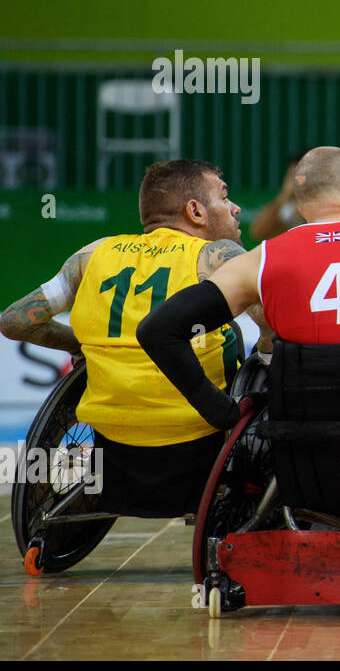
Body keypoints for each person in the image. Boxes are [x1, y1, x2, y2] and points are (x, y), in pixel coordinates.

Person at [0, 160, 259, 517]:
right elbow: (274, 326)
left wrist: (78, 344)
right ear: (196, 211)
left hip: (113, 446)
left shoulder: (93, 255)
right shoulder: (218, 257)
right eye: (224, 197)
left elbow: (14, 322)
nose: (235, 208)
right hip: (199, 440)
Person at [138, 146, 340, 431]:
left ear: (301, 205)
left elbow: (159, 329)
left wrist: (222, 413)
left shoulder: (260, 258)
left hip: (298, 434)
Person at [249, 151, 307, 241]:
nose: (297, 180)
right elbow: (258, 233)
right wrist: (285, 194)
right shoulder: (286, 207)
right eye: (292, 175)